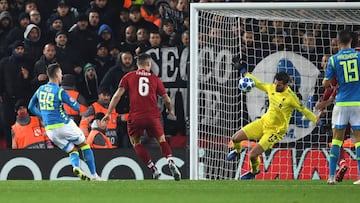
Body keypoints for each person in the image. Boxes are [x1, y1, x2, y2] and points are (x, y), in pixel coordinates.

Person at [227, 71, 320, 180]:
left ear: (286, 85)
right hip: (263, 122)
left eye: (279, 85)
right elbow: (257, 83)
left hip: (275, 131)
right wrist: (245, 72)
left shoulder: (291, 98)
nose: (276, 86)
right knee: (235, 138)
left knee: (252, 155)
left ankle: (254, 171)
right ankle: (238, 151)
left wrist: (316, 120)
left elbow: (304, 110)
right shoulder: (271, 88)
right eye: (275, 83)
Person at [102, 53, 181, 181]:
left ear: (137, 65)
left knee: (136, 142)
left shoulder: (128, 76)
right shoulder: (155, 79)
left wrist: (108, 113)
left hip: (135, 117)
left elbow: (117, 95)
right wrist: (169, 109)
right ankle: (170, 161)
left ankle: (153, 169)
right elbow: (166, 99)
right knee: (161, 140)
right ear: (149, 64)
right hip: (153, 117)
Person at [28, 63, 101, 181]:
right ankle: (94, 175)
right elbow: (76, 107)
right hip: (64, 124)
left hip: (50, 129)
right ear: (57, 74)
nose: (61, 76)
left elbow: (31, 107)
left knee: (72, 150)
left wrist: (43, 116)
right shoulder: (60, 91)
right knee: (84, 145)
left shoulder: (40, 90)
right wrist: (72, 104)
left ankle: (76, 167)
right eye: (61, 73)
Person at [322, 30, 360, 185]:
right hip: (358, 102)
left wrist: (332, 83)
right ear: (352, 40)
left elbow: (325, 83)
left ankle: (331, 176)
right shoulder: (359, 56)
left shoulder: (333, 60)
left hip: (342, 103)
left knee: (337, 140)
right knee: (358, 140)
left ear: (338, 42)